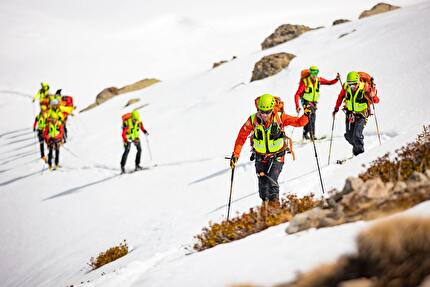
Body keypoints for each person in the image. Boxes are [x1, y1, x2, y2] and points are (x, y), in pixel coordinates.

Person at [230, 94, 309, 206]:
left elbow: (299, 122)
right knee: (263, 187)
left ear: (272, 109)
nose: (264, 114)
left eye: (267, 112)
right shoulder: (252, 120)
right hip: (260, 157)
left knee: (271, 183)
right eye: (262, 111)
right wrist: (235, 154)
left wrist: (306, 114)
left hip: (277, 156)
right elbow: (241, 137)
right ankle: (266, 211)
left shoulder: (280, 117)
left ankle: (275, 211)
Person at [332, 71, 380, 156]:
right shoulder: (346, 87)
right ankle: (356, 150)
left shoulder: (365, 88)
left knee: (357, 135)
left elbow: (376, 101)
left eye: (353, 84)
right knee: (349, 136)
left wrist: (373, 96)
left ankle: (360, 154)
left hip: (362, 114)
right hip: (350, 114)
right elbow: (340, 97)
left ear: (358, 81)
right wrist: (336, 108)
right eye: (350, 84)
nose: (352, 87)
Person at [294, 66, 339, 140]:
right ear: (310, 73)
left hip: (314, 103)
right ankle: (312, 135)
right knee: (312, 117)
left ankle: (305, 134)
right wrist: (297, 106)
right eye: (312, 73)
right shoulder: (305, 81)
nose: (314, 75)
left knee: (309, 118)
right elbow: (297, 94)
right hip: (306, 102)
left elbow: (329, 82)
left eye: (316, 73)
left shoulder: (319, 80)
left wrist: (336, 79)